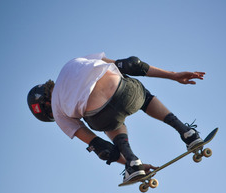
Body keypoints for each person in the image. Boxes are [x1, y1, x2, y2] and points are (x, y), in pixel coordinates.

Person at [27, 53, 205, 183]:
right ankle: (186, 132)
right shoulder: (74, 62)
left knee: (98, 119)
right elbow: (130, 65)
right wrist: (173, 75)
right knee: (126, 78)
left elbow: (100, 147)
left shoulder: (59, 114)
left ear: (48, 111)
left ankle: (132, 160)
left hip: (103, 119)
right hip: (128, 94)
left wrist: (132, 166)